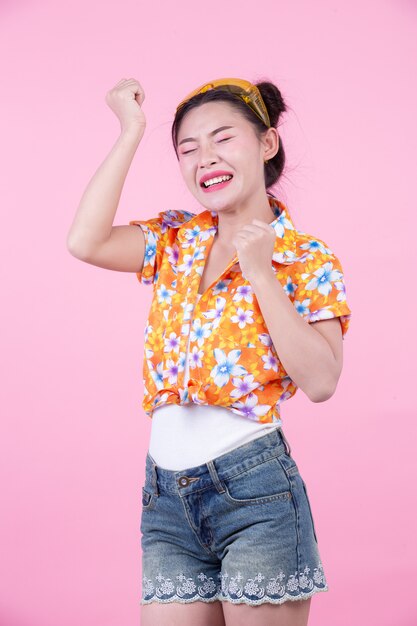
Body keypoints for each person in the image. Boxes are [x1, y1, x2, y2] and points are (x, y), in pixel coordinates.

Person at [67, 76, 352, 626]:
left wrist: (262, 274)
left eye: (223, 139)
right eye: (188, 148)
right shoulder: (174, 240)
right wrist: (131, 131)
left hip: (257, 495)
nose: (206, 159)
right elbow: (86, 241)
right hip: (166, 497)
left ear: (266, 144)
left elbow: (322, 381)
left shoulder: (308, 259)